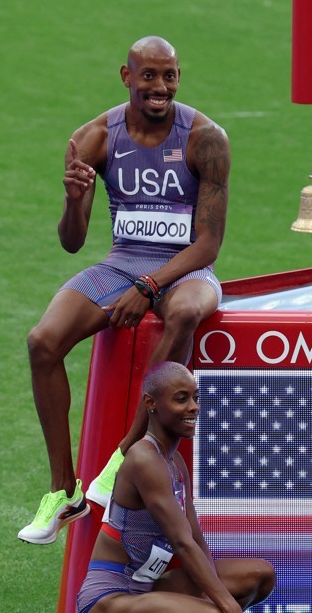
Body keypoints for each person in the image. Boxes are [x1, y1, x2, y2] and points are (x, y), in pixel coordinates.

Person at [20, 36, 229, 544]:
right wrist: (74, 201)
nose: (161, 88)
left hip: (184, 272)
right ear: (126, 75)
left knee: (182, 315)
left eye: (170, 76)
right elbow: (72, 243)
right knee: (42, 342)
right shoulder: (94, 137)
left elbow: (209, 245)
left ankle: (123, 455)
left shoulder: (206, 138)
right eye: (150, 76)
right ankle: (63, 490)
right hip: (121, 263)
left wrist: (149, 284)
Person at [76, 362, 275, 613]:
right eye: (181, 399)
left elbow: (196, 541)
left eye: (196, 398)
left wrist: (222, 598)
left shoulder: (174, 462)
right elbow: (181, 542)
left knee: (258, 576)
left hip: (147, 590)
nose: (194, 407)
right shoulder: (143, 458)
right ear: (151, 403)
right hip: (108, 605)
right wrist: (230, 611)